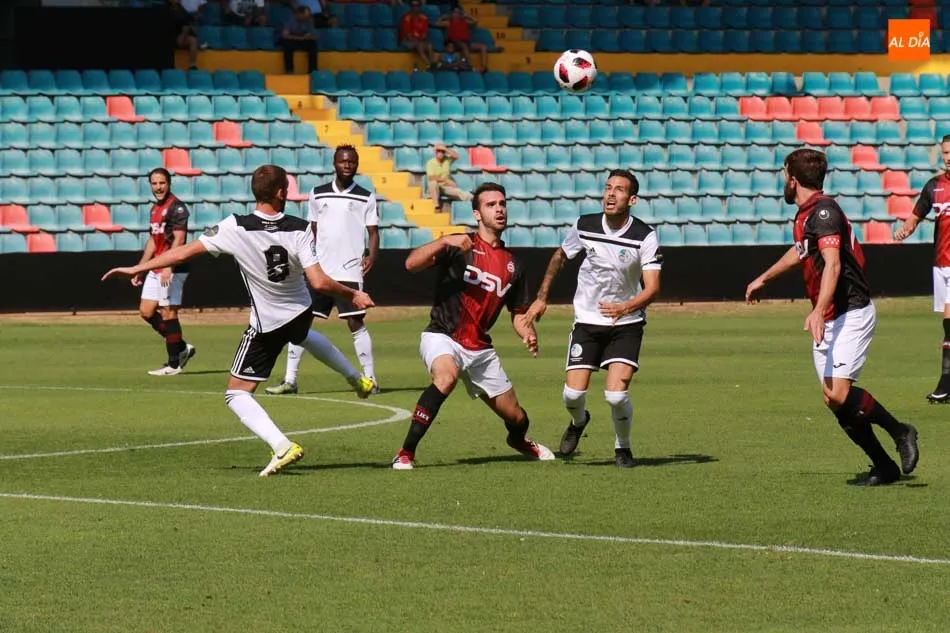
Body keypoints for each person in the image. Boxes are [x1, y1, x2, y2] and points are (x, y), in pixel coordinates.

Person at [102, 165, 377, 477]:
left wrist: (138, 269)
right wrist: (352, 294)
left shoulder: (235, 226)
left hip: (268, 323)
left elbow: (182, 254)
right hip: (299, 311)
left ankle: (282, 446)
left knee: (236, 394)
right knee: (304, 335)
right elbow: (319, 282)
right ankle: (356, 378)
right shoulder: (301, 228)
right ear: (281, 193)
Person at [746, 148, 919, 486]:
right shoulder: (808, 213)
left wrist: (817, 309)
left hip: (850, 310)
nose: (784, 181)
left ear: (793, 180)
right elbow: (801, 253)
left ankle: (901, 431)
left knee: (839, 394)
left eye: (784, 175)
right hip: (830, 313)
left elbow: (834, 264)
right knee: (833, 400)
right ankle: (884, 466)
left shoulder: (823, 213)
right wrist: (764, 278)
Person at [391, 182, 554, 470]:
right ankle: (405, 452)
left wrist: (527, 331)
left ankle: (518, 440)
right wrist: (444, 241)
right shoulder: (459, 245)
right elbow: (410, 264)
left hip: (479, 349)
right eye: (491, 205)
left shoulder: (514, 264)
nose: (499, 209)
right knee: (446, 377)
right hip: (442, 335)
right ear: (477, 214)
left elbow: (517, 313)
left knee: (517, 418)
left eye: (502, 203)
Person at [520, 170, 660, 468]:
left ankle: (623, 448)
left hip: (627, 324)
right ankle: (578, 420)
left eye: (619, 190)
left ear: (632, 199)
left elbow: (653, 288)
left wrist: (625, 308)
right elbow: (560, 256)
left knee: (615, 395)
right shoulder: (585, 225)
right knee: (572, 394)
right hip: (587, 321)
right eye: (608, 188)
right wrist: (543, 296)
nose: (611, 194)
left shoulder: (644, 235)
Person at [266, 145, 380, 395]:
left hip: (350, 270)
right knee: (300, 323)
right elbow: (312, 229)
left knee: (355, 322)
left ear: (357, 165)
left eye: (351, 162)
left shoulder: (366, 196)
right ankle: (290, 380)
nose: (347, 165)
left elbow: (373, 232)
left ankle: (371, 379)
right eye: (343, 161)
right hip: (321, 271)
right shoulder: (318, 194)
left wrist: (372, 253)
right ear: (335, 163)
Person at [894, 134, 950, 402]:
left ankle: (945, 383)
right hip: (941, 264)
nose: (949, 157)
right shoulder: (934, 186)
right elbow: (916, 216)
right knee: (947, 324)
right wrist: (905, 230)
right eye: (945, 153)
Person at [134, 167, 196, 376]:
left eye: (162, 183)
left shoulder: (177, 208)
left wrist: (169, 266)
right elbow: (153, 240)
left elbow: (179, 239)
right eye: (154, 183)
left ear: (168, 183)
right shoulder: (154, 209)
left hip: (173, 267)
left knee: (168, 311)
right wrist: (140, 268)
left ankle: (173, 364)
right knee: (146, 312)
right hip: (157, 266)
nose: (158, 187)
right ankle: (181, 347)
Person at [435, 7, 488, 72]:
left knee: (483, 47)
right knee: (464, 46)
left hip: (466, 42)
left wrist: (468, 16)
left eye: (458, 13)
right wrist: (443, 17)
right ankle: (471, 67)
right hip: (454, 42)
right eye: (455, 12)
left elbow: (476, 21)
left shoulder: (465, 21)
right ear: (451, 14)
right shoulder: (448, 23)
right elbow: (436, 24)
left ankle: (484, 68)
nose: (456, 14)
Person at [279, 6, 318, 74]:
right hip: (292, 39)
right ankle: (289, 70)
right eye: (305, 16)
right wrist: (299, 38)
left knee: (313, 44)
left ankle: (312, 70)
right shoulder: (290, 19)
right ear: (299, 14)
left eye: (307, 16)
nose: (307, 18)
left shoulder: (308, 20)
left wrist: (310, 36)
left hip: (303, 40)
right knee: (287, 44)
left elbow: (315, 36)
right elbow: (284, 35)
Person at [398, 0, 434, 70]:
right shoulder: (406, 18)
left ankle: (432, 63)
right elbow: (408, 36)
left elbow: (424, 34)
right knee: (420, 46)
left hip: (419, 40)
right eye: (413, 6)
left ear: (419, 7)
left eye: (417, 6)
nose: (415, 8)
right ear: (410, 7)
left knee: (429, 46)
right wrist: (419, 40)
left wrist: (420, 39)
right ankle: (428, 63)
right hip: (407, 41)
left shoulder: (424, 18)